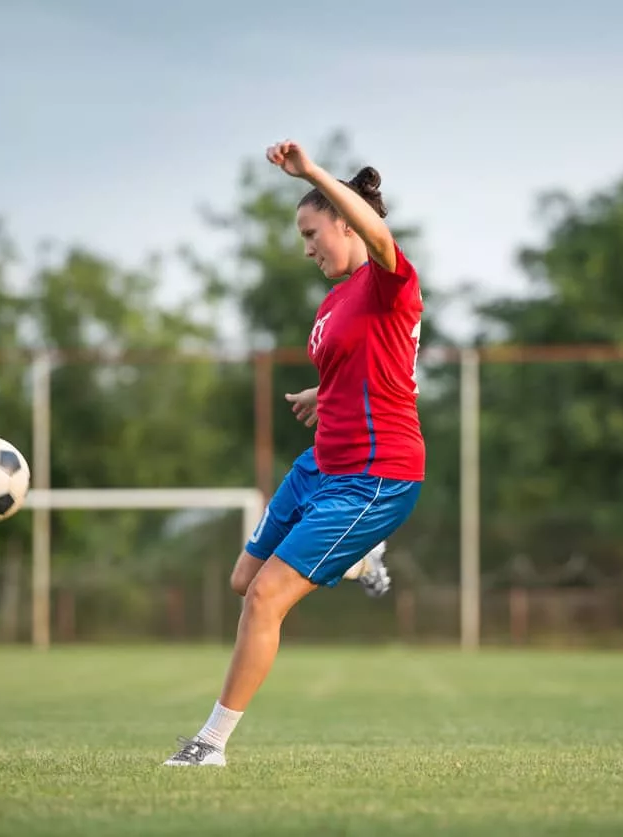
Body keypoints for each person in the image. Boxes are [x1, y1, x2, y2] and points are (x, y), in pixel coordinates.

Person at [163, 140, 426, 767]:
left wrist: (311, 173)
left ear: (345, 220)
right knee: (243, 581)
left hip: (375, 478)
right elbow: (372, 365)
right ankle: (360, 559)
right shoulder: (335, 299)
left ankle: (210, 745)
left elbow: (380, 238)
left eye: (313, 232)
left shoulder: (390, 281)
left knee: (266, 599)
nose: (307, 248)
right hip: (320, 467)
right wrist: (322, 392)